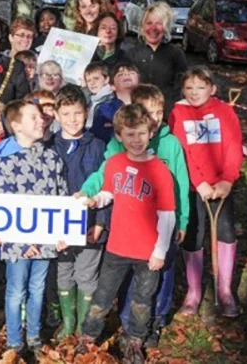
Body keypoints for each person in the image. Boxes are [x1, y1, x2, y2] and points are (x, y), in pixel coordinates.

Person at [81, 84, 191, 347]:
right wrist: (95, 198)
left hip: (147, 250)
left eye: (142, 134)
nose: (136, 140)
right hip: (117, 247)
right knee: (103, 295)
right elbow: (109, 190)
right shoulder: (116, 162)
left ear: (151, 132)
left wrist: (160, 251)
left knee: (143, 300)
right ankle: (88, 336)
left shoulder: (160, 170)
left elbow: (167, 214)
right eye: (130, 135)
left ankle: (135, 340)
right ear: (119, 136)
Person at [0, 99, 67, 357]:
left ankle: (33, 337)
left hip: (45, 240)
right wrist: (23, 242)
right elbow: (2, 206)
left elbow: (61, 197)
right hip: (16, 243)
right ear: (16, 126)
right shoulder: (5, 163)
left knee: (38, 288)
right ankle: (15, 340)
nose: (40, 121)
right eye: (33, 118)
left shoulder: (52, 158)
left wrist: (62, 233)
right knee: (16, 290)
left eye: (41, 117)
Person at [169, 67, 243, 318]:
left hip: (221, 186)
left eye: (200, 87)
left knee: (225, 232)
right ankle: (194, 292)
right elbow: (182, 152)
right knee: (194, 235)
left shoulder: (225, 112)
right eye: (189, 88)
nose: (194, 93)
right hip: (193, 188)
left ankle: (224, 291)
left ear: (212, 89)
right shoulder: (178, 113)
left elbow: (234, 148)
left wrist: (227, 181)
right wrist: (198, 182)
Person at [50, 86, 109, 340]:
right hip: (58, 226)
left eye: (77, 113)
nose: (72, 119)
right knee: (63, 272)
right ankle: (68, 321)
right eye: (66, 113)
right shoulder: (49, 145)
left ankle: (85, 326)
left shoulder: (98, 146)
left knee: (86, 274)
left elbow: (108, 184)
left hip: (90, 224)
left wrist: (101, 223)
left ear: (86, 112)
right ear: (56, 115)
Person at [127, 2, 188, 114]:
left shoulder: (176, 54)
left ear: (165, 27)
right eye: (149, 23)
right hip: (138, 115)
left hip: (167, 114)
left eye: (159, 23)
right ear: (142, 26)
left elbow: (182, 87)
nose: (153, 28)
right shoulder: (131, 54)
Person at [89, 63, 140, 144]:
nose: (127, 74)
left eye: (132, 73)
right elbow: (96, 136)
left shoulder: (146, 107)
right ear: (112, 86)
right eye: (121, 74)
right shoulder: (104, 110)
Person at [83, 63, 113, 130]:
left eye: (96, 79)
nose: (92, 83)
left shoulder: (112, 101)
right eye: (89, 80)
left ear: (106, 79)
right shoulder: (87, 100)